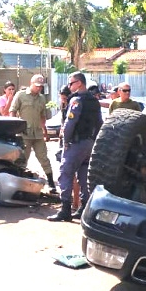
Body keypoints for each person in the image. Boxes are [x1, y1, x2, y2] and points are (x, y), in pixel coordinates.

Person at [49, 71, 103, 222]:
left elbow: (70, 123)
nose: (69, 86)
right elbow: (100, 124)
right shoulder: (94, 101)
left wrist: (65, 142)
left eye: (71, 83)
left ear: (79, 83)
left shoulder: (77, 101)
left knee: (65, 173)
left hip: (76, 143)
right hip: (89, 144)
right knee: (84, 176)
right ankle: (83, 208)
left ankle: (65, 210)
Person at [10, 75, 56, 192]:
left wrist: (45, 131)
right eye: (37, 86)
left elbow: (42, 116)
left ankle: (51, 183)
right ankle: (19, 184)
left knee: (44, 158)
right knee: (23, 159)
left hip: (38, 134)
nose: (39, 88)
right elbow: (13, 111)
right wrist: (14, 127)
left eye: (41, 87)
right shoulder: (21, 95)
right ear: (31, 83)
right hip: (24, 133)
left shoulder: (41, 98)